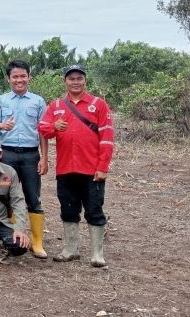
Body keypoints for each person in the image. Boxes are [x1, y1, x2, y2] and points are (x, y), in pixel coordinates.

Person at [39, 64, 114, 268]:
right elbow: (43, 129)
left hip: (92, 169)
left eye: (79, 78)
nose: (75, 82)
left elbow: (107, 138)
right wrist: (54, 127)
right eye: (71, 78)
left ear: (85, 81)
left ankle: (97, 253)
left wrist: (103, 167)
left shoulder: (98, 105)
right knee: (68, 209)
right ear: (65, 81)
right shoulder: (55, 105)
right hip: (65, 169)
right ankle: (70, 249)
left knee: (94, 209)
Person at [0, 59, 48, 258]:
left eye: (23, 76)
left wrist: (44, 158)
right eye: (15, 76)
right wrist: (2, 126)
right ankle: (9, 237)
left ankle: (37, 242)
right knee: (4, 195)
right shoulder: (1, 101)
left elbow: (43, 132)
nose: (19, 80)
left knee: (33, 197)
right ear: (8, 79)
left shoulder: (38, 101)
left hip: (31, 156)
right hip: (7, 155)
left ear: (29, 77)